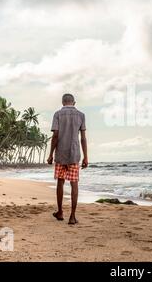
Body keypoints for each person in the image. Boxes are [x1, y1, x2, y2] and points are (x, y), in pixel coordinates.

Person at [48, 94, 88, 225]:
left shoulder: (57, 114)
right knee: (74, 183)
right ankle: (72, 216)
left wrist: (50, 154)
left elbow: (55, 136)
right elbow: (83, 138)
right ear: (74, 103)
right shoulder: (81, 115)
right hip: (74, 154)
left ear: (62, 102)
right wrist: (86, 157)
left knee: (60, 182)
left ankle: (60, 212)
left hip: (60, 154)